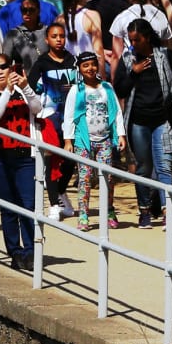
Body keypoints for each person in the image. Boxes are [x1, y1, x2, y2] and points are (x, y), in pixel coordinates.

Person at [114, 19, 172, 227]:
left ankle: (168, 212)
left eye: (137, 39)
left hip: (163, 120)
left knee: (164, 166)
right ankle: (144, 210)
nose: (133, 44)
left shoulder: (164, 55)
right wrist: (133, 72)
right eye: (130, 40)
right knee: (143, 168)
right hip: (138, 122)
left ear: (147, 37)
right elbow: (119, 89)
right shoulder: (128, 58)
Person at [0, 55, 44, 272]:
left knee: (28, 205)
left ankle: (31, 252)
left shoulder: (24, 91)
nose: (0, 72)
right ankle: (15, 253)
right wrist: (7, 90)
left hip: (25, 155)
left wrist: (25, 88)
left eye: (4, 67)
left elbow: (38, 109)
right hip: (0, 157)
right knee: (8, 207)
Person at [62, 52, 124, 231]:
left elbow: (116, 112)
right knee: (85, 178)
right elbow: (69, 116)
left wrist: (120, 134)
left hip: (104, 140)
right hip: (83, 141)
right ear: (79, 69)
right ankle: (83, 215)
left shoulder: (107, 88)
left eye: (93, 64)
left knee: (108, 178)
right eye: (85, 65)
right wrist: (68, 140)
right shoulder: (77, 90)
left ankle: (109, 210)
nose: (90, 68)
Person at [28, 21, 77, 219]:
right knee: (50, 159)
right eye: (54, 36)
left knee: (70, 160)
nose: (59, 40)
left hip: (72, 117)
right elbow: (30, 89)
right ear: (47, 40)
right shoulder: (41, 64)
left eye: (62, 36)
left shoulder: (72, 60)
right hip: (49, 117)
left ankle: (61, 191)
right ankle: (54, 203)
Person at [109, 0, 172, 77]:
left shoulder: (123, 18)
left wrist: (114, 82)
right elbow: (166, 47)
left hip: (133, 72)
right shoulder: (160, 16)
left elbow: (116, 55)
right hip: (159, 73)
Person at [2, 0, 45, 71]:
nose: (27, 13)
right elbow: (6, 60)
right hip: (23, 79)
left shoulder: (47, 31)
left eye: (31, 10)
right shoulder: (13, 34)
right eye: (24, 10)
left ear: (38, 11)